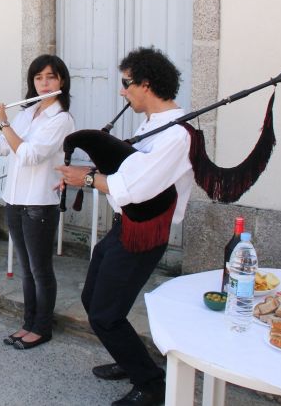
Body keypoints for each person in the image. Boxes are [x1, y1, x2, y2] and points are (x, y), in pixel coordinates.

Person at [57, 47, 192, 406]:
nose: (122, 91)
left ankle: (151, 385)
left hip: (144, 234)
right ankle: (130, 361)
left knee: (105, 313)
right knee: (93, 300)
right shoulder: (151, 125)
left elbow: (137, 186)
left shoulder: (177, 135)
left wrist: (85, 179)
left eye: (126, 83)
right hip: (125, 226)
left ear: (145, 84)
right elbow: (126, 168)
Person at [0, 54, 74, 347]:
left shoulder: (62, 120)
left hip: (40, 202)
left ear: (61, 81)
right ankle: (29, 322)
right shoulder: (27, 113)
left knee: (41, 270)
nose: (44, 83)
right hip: (14, 200)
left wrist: (2, 122)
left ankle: (42, 327)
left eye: (50, 77)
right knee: (26, 268)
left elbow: (29, 155)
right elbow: (2, 148)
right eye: (38, 77)